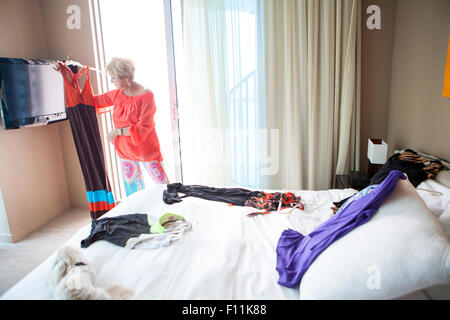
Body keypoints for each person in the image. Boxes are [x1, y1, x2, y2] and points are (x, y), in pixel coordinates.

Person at [57, 57, 169, 196]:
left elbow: (143, 127)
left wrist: (118, 131)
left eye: (113, 78)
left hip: (146, 150)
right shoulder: (117, 95)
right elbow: (90, 101)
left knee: (165, 188)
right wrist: (67, 77)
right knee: (133, 195)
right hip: (125, 151)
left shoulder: (147, 96)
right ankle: (137, 216)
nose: (111, 81)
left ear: (125, 77)